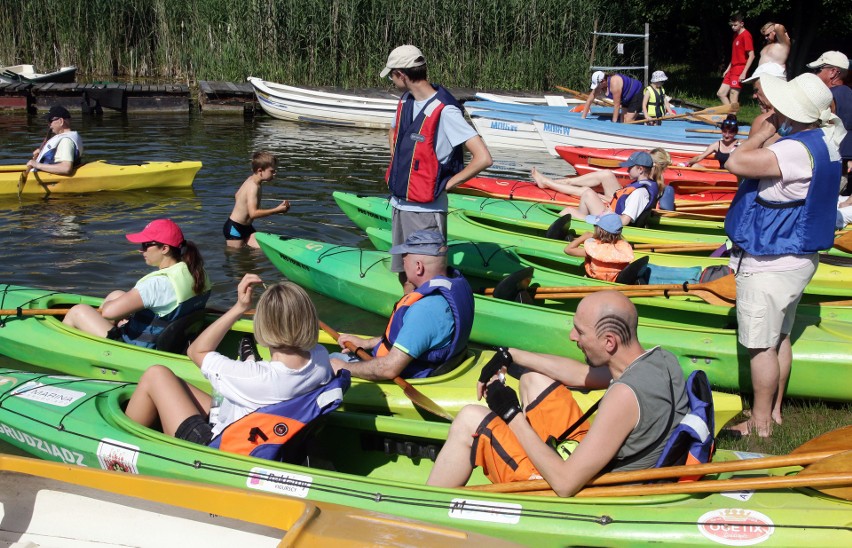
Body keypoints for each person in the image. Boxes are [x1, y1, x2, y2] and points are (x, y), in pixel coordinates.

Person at [426, 290, 689, 496]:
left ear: (609, 341)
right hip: (592, 461)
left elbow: (565, 484)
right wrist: (511, 354)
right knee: (533, 379)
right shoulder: (660, 360)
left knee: (470, 419)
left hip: (579, 488)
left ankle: (424, 514)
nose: (572, 336)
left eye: (581, 331)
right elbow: (578, 375)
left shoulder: (623, 396)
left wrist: (510, 413)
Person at [724, 73, 845, 437]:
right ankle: (774, 412)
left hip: (771, 259)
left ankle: (760, 424)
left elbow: (735, 163)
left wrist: (762, 133)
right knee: (781, 337)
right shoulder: (827, 139)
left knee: (761, 345)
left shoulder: (791, 150)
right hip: (798, 256)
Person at [125, 274, 335, 446]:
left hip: (217, 447)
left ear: (263, 324)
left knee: (157, 374)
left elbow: (196, 351)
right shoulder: (320, 358)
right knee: (174, 383)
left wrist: (239, 307)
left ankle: (126, 444)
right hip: (259, 429)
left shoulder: (256, 377)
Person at [382, 45, 492, 291]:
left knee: (425, 280)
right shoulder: (406, 101)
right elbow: (393, 131)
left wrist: (448, 185)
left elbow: (483, 157)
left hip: (425, 211)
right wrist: (397, 159)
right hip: (400, 204)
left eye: (391, 75)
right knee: (406, 275)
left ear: (401, 74)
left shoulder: (446, 110)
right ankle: (406, 317)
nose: (391, 80)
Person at [331, 230, 474, 380]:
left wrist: (343, 367)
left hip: (410, 373)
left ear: (418, 267)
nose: (403, 267)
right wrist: (366, 343)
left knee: (331, 360)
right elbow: (417, 338)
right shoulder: (455, 288)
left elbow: (388, 369)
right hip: (442, 364)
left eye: (404, 261)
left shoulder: (424, 310)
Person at [62, 219, 211, 348]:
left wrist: (111, 310)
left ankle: (72, 349)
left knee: (78, 311)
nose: (141, 250)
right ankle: (99, 337)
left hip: (138, 348)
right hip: (172, 341)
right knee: (117, 295)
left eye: (146, 245)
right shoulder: (197, 272)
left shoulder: (156, 284)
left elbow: (108, 313)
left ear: (165, 248)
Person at [531, 149, 665, 226]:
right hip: (612, 212)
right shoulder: (644, 183)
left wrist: (598, 218)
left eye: (630, 167)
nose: (627, 170)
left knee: (572, 208)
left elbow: (624, 221)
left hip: (611, 221)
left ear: (640, 169)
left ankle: (542, 226)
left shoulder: (640, 193)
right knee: (589, 193)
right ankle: (579, 221)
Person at [223, 151, 290, 249]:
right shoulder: (253, 187)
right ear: (260, 171)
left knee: (261, 250)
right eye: (272, 171)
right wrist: (277, 210)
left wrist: (242, 206)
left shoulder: (251, 180)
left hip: (246, 226)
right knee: (238, 259)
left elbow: (237, 195)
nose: (275, 174)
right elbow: (253, 214)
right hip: (235, 228)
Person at [807, 51, 852, 190]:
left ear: (833, 72)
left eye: (818, 70)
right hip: (843, 166)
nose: (815, 75)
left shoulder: (827, 97)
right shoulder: (848, 93)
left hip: (827, 167)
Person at [564, 213, 634, 282]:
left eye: (595, 225)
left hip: (594, 281)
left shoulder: (593, 249)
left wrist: (585, 236)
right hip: (615, 283)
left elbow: (568, 249)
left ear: (600, 230)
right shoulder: (624, 247)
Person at [25, 105, 83, 176]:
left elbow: (66, 168)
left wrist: (36, 165)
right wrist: (42, 152)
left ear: (61, 121)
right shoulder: (69, 136)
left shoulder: (66, 141)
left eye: (50, 121)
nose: (49, 125)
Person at [717, 13, 755, 105]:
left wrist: (744, 72)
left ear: (741, 24)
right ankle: (730, 115)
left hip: (739, 69)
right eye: (732, 25)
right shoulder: (735, 35)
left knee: (733, 95)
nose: (733, 27)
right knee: (721, 93)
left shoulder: (746, 35)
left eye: (735, 25)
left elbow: (752, 55)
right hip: (732, 68)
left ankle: (732, 117)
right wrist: (727, 69)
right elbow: (735, 55)